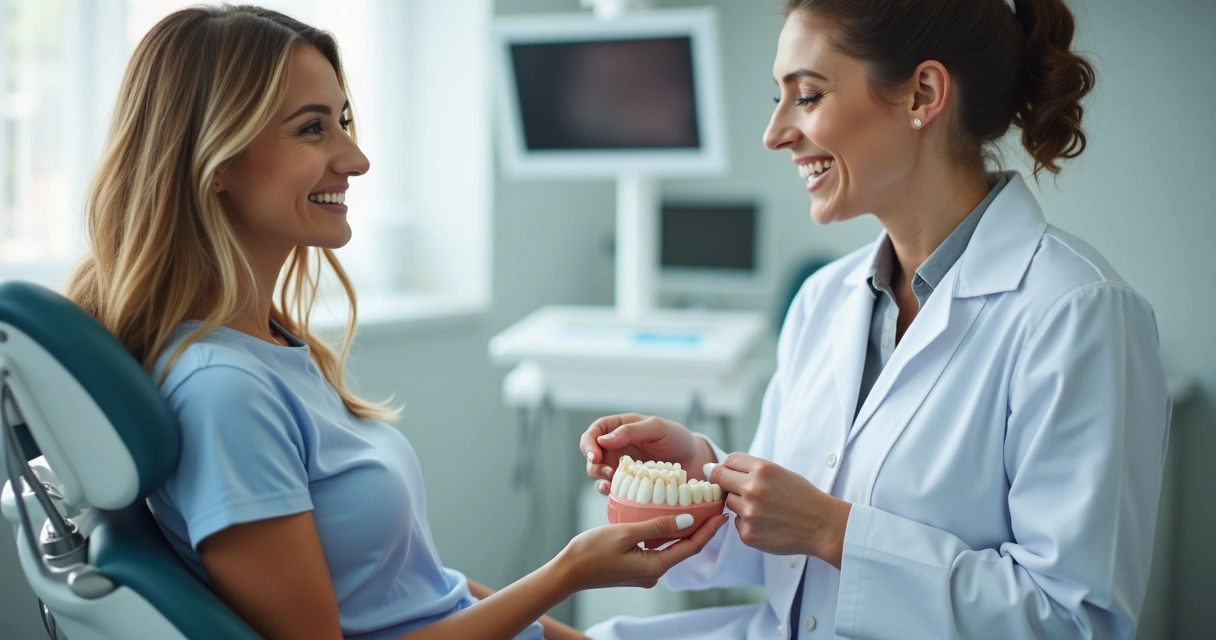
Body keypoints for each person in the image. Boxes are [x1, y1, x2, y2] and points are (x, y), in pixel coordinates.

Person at [63, 5, 726, 640]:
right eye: (313, 128)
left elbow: (428, 589)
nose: (355, 159)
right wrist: (568, 572)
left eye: (344, 122)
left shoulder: (276, 346)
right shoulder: (224, 392)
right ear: (218, 161)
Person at [580, 0, 1171, 638]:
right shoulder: (822, 300)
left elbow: (1071, 621)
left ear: (922, 93)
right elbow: (790, 549)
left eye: (805, 96)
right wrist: (705, 479)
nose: (776, 133)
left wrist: (832, 530)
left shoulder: (1077, 314)